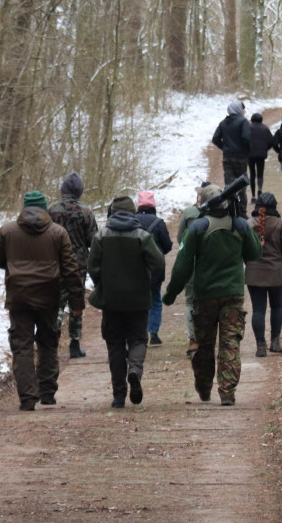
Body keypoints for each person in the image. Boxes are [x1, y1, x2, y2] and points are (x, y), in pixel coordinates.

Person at [163, 184, 262, 406]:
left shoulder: (197, 227)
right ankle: (227, 392)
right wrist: (244, 225)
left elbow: (182, 266)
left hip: (204, 295)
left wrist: (171, 294)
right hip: (233, 294)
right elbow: (255, 253)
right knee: (230, 344)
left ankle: (204, 388)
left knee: (203, 344)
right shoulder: (238, 225)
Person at [0, 191, 83, 411]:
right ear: (45, 208)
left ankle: (28, 398)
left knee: (22, 346)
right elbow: (71, 270)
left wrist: (13, 267)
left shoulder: (7, 231)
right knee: (48, 342)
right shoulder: (58, 233)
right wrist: (77, 303)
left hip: (18, 297)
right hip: (49, 296)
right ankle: (47, 393)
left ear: (24, 208)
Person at [88, 196, 165, 408]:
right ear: (133, 212)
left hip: (111, 300)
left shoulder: (101, 236)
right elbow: (158, 261)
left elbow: (92, 266)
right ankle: (135, 371)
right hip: (138, 299)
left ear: (112, 213)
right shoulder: (143, 236)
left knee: (115, 345)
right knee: (138, 339)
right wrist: (145, 274)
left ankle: (119, 395)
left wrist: (102, 283)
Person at [48, 172, 99, 359]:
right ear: (79, 191)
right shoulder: (86, 212)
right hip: (78, 264)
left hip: (56, 263)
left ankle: (53, 340)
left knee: (57, 303)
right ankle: (75, 344)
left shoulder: (51, 209)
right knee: (76, 303)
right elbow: (94, 240)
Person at [246, 193, 282, 356]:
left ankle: (260, 345)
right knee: (277, 307)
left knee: (258, 310)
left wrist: (249, 261)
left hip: (254, 274)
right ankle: (275, 341)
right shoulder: (280, 225)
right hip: (277, 273)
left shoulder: (249, 225)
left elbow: (242, 247)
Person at [178, 182, 211, 358]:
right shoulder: (221, 215)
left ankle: (194, 340)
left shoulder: (189, 214)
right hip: (212, 265)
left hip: (191, 264)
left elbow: (180, 238)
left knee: (190, 301)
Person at [134, 191, 172, 346]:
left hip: (136, 269)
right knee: (155, 299)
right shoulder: (158, 223)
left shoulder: (132, 221)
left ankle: (139, 331)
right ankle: (153, 333)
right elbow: (168, 245)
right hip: (155, 269)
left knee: (138, 301)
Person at [211, 100, 251, 218]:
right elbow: (246, 138)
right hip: (240, 158)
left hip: (227, 158)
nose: (244, 111)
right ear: (239, 110)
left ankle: (230, 211)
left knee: (229, 186)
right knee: (242, 184)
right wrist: (246, 151)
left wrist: (225, 147)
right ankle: (242, 213)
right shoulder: (243, 122)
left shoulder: (223, 123)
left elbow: (215, 138)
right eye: (243, 109)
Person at [247, 113, 274, 200]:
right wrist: (265, 149)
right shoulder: (265, 128)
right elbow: (271, 141)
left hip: (250, 154)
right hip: (261, 155)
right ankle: (260, 189)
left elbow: (244, 139)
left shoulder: (248, 128)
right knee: (260, 173)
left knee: (252, 174)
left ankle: (253, 195)